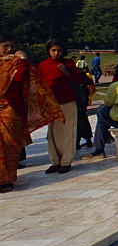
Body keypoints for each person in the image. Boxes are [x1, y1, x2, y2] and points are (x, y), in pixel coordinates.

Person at [0, 35, 61, 193]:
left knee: (9, 145)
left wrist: (23, 60)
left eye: (12, 46)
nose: (10, 49)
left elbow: (21, 78)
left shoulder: (17, 63)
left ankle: (6, 179)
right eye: (5, 46)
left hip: (11, 110)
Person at [38, 39, 87, 174]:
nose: (56, 53)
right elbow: (39, 83)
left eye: (59, 50)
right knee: (52, 133)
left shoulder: (68, 63)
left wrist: (67, 72)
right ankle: (55, 161)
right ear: (49, 51)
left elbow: (80, 80)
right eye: (53, 50)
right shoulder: (43, 65)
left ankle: (66, 161)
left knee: (67, 132)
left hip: (67, 100)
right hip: (50, 103)